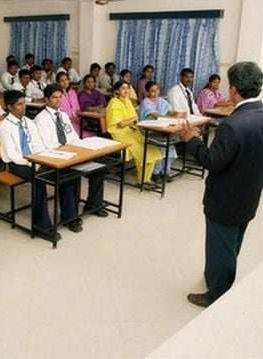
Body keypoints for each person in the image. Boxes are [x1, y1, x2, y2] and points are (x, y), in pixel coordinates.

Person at [182, 61, 263, 308]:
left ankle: (216, 294)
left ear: (235, 90)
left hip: (225, 198)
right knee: (232, 243)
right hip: (249, 195)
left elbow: (212, 161)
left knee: (220, 246)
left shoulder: (232, 125)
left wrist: (192, 140)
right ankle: (220, 277)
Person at [35, 84, 109, 231]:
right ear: (47, 99)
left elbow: (73, 136)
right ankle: (70, 217)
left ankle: (93, 204)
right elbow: (47, 144)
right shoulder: (41, 118)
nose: (58, 100)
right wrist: (68, 149)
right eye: (54, 98)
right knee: (68, 177)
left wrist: (81, 148)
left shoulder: (63, 115)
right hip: (55, 157)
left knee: (99, 169)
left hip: (71, 153)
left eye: (60, 97)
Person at [0, 90, 52, 231]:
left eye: (24, 103)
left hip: (35, 160)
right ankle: (41, 225)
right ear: (9, 107)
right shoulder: (4, 127)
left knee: (62, 171)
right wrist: (33, 164)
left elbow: (37, 144)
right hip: (17, 164)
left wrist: (41, 160)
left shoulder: (28, 122)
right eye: (19, 104)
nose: (24, 107)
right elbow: (13, 155)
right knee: (39, 179)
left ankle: (69, 215)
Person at [106, 81, 162, 185]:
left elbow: (135, 118)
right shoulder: (114, 102)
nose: (126, 91)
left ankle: (147, 178)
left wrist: (130, 121)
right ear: (117, 91)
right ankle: (142, 180)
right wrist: (130, 121)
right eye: (123, 88)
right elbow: (121, 124)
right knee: (142, 151)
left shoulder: (127, 101)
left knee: (151, 148)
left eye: (128, 88)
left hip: (132, 131)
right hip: (120, 134)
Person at [138, 81, 177, 182]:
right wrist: (169, 119)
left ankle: (165, 171)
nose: (156, 93)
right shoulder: (146, 102)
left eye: (157, 90)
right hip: (149, 131)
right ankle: (155, 172)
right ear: (147, 92)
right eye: (152, 91)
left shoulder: (161, 100)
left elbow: (171, 111)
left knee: (170, 146)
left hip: (161, 129)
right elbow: (156, 115)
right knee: (160, 147)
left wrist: (177, 114)